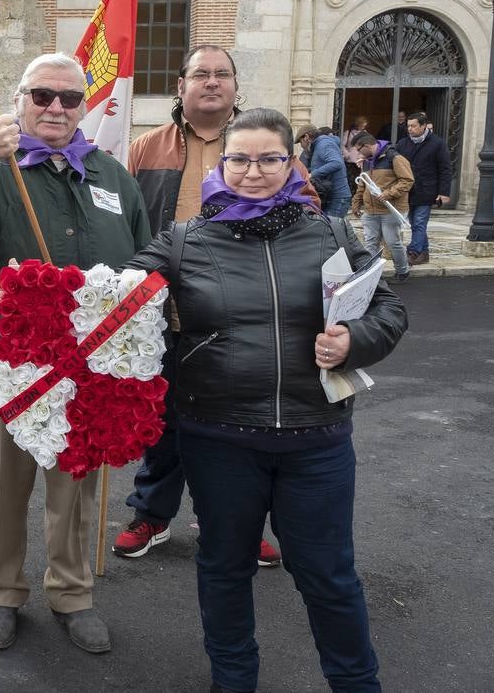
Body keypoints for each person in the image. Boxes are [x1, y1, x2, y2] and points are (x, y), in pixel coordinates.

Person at [126, 108, 406, 693]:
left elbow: (388, 307)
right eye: (240, 159)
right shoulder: (182, 241)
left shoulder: (330, 232)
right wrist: (39, 288)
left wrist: (355, 340)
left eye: (268, 159)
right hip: (219, 440)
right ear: (222, 163)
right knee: (224, 570)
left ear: (290, 162)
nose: (253, 172)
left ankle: (357, 683)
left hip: (316, 442)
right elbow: (113, 296)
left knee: (329, 577)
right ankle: (233, 681)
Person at [0, 52, 151, 654]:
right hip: (12, 367)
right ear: (19, 100)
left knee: (76, 489)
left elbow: (144, 262)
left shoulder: (111, 177)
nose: (56, 108)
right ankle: (0, 592)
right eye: (42, 95)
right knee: (7, 486)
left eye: (70, 99)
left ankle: (72, 594)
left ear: (83, 107)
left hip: (93, 369)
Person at [117, 45, 311, 567]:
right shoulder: (143, 149)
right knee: (159, 424)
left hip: (238, 322)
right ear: (180, 86)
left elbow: (306, 215)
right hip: (162, 316)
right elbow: (124, 229)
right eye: (199, 74)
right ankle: (151, 515)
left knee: (234, 431)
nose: (211, 82)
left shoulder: (262, 147)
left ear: (235, 86)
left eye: (221, 74)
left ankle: (230, 522)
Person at [349, 131, 414, 283]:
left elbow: (407, 180)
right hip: (370, 210)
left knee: (392, 242)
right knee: (370, 242)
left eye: (359, 149)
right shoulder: (366, 161)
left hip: (390, 210)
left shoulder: (394, 157)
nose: (358, 153)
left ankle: (402, 271)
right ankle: (371, 273)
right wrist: (356, 202)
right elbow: (362, 184)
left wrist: (388, 194)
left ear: (367, 145)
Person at [395, 111, 453, 265]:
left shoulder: (437, 143)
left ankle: (413, 252)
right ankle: (424, 253)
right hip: (409, 191)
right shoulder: (402, 143)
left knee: (420, 222)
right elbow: (392, 159)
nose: (410, 129)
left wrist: (444, 192)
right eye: (408, 126)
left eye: (413, 126)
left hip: (427, 190)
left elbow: (445, 168)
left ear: (423, 126)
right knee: (415, 223)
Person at [298, 125, 351, 217]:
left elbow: (336, 163)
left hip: (337, 198)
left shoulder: (324, 144)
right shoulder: (318, 146)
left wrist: (312, 174)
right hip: (329, 196)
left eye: (300, 141)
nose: (301, 145)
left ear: (306, 137)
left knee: (331, 229)